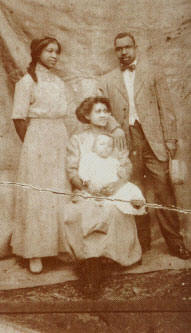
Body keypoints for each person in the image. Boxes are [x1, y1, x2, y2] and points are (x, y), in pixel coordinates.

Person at [99, 32, 190, 259]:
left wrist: (170, 138)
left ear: (135, 47)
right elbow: (101, 109)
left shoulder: (153, 73)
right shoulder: (108, 79)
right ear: (115, 51)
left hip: (154, 140)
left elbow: (165, 107)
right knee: (132, 191)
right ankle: (140, 244)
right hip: (125, 141)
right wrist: (114, 128)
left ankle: (175, 242)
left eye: (127, 47)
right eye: (119, 49)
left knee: (163, 191)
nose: (123, 52)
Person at [62, 96, 143, 294]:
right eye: (98, 111)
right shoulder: (78, 139)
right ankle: (92, 267)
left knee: (113, 209)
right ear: (86, 115)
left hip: (113, 189)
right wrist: (85, 186)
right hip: (87, 190)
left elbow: (125, 165)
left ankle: (108, 258)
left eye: (106, 111)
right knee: (82, 211)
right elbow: (72, 169)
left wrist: (117, 184)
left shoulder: (115, 138)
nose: (103, 115)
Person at [11, 37, 72, 273]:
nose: (54, 55)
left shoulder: (58, 82)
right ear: (37, 53)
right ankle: (35, 252)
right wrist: (33, 146)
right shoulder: (26, 82)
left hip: (59, 136)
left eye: (57, 51)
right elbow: (18, 118)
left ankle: (57, 247)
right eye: (49, 51)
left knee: (59, 190)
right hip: (37, 139)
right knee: (38, 196)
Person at [78, 133, 146, 216]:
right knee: (100, 198)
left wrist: (121, 173)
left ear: (112, 149)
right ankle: (102, 202)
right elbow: (82, 172)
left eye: (109, 146)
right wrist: (88, 182)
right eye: (102, 144)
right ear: (94, 147)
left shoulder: (113, 161)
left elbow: (120, 175)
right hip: (96, 186)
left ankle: (136, 200)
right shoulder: (89, 158)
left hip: (112, 187)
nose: (106, 148)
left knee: (130, 187)